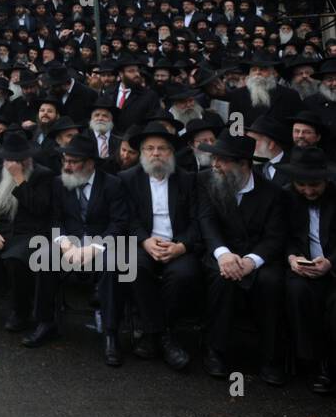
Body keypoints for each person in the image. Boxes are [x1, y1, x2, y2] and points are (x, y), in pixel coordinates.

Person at [26, 135, 132, 366]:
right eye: (65, 160)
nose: (67, 166)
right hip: (70, 243)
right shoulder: (59, 182)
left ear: (90, 163)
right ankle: (46, 322)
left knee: (114, 265)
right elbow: (54, 219)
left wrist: (94, 247)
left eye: (74, 161)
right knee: (43, 256)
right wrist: (64, 243)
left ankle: (111, 334)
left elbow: (119, 223)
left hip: (104, 244)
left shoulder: (112, 184)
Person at [275, 147, 336, 396]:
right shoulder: (286, 197)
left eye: (314, 185)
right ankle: (316, 363)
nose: (308, 191)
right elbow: (283, 235)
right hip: (305, 267)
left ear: (326, 179)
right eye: (302, 185)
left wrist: (331, 263)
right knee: (296, 291)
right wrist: (293, 258)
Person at [196, 133, 289, 386]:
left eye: (223, 160)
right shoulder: (206, 181)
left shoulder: (273, 193)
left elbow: (275, 236)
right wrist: (223, 254)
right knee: (221, 279)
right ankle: (215, 350)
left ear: (244, 164)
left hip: (258, 258)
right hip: (219, 254)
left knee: (271, 283)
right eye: (214, 158)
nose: (215, 165)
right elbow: (207, 221)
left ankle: (271, 357)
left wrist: (251, 261)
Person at [119, 121, 201, 371]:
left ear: (171, 153)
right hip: (145, 243)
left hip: (178, 246)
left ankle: (154, 335)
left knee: (183, 274)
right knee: (133, 266)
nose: (156, 153)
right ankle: (163, 335)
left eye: (162, 148)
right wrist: (145, 240)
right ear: (141, 153)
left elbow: (199, 221)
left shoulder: (189, 181)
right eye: (149, 148)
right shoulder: (127, 179)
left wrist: (182, 246)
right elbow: (127, 218)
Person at [0, 129, 56, 331]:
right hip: (1, 231)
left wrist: (19, 179)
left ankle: (20, 311)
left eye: (18, 160)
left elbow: (40, 208)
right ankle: (9, 298)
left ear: (27, 159)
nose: (12, 164)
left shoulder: (43, 175)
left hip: (31, 233)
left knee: (15, 258)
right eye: (9, 159)